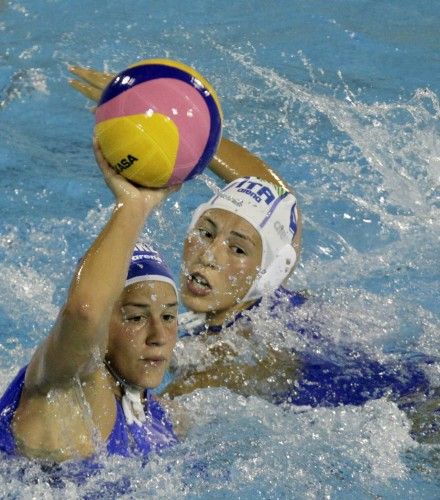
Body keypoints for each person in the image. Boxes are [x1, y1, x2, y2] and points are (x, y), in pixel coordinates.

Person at [68, 67, 438, 442]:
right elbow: (282, 200)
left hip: (423, 419)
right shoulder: (265, 294)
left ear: (265, 271)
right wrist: (177, 129)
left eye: (238, 248)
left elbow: (147, 427)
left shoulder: (236, 353)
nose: (210, 255)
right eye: (206, 231)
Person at [0, 139, 181, 461]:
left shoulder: (156, 414)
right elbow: (84, 312)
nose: (159, 337)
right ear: (104, 327)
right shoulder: (66, 391)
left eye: (168, 316)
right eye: (136, 317)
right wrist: (133, 206)